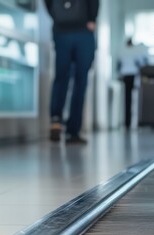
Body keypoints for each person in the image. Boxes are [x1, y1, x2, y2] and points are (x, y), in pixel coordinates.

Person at [44, 0, 99, 144]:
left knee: (62, 76)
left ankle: (58, 121)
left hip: (64, 29)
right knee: (79, 80)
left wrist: (57, 16)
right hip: (81, 29)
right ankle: (71, 130)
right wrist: (92, 18)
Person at [117, 38, 148, 129]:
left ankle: (127, 123)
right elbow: (142, 63)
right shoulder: (135, 52)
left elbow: (118, 65)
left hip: (124, 76)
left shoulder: (122, 52)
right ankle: (134, 122)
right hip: (133, 75)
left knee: (126, 99)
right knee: (134, 99)